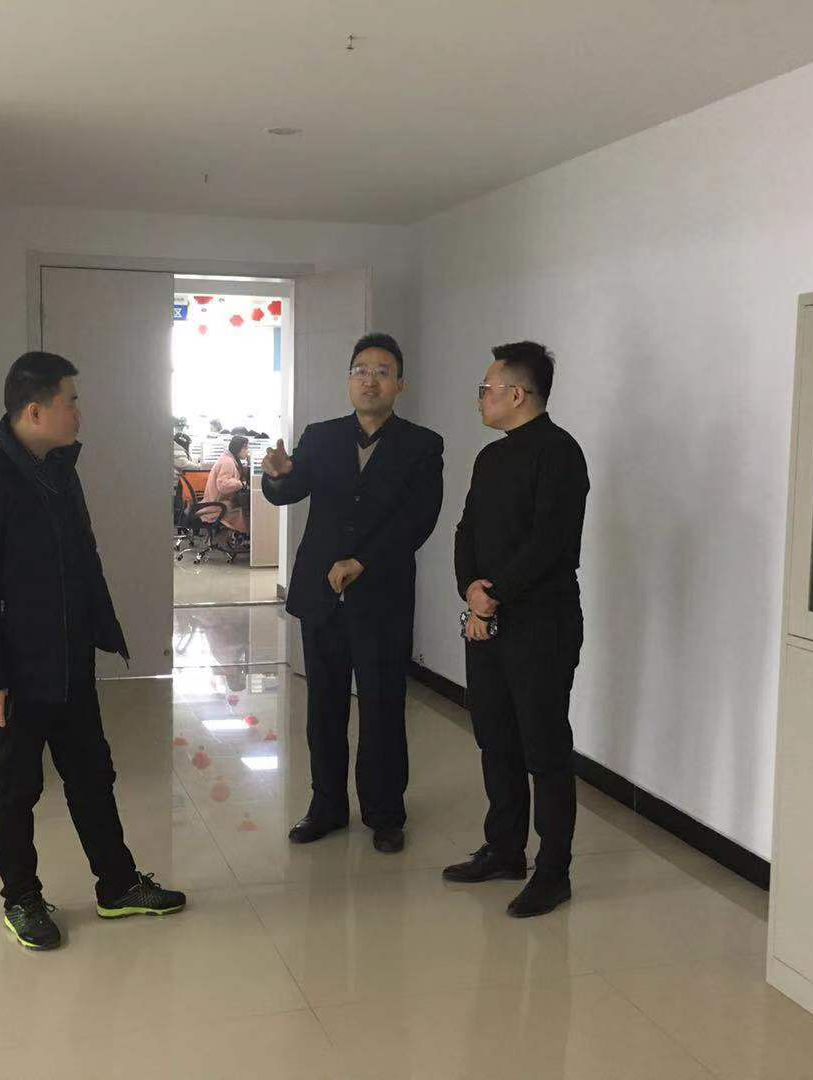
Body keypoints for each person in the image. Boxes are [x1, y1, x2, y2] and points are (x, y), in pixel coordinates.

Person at [0, 350, 186, 951]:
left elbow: (80, 561)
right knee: (15, 788)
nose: (79, 413)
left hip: (70, 659)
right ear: (34, 410)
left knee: (92, 775)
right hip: (15, 672)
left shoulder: (59, 471)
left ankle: (118, 885)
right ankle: (22, 899)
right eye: (70, 401)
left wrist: (99, 629)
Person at [261, 332, 443, 853]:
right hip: (322, 596)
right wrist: (276, 477)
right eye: (361, 370)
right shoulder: (320, 437)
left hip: (382, 596)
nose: (370, 380)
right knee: (324, 707)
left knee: (383, 706)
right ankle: (326, 806)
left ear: (400, 384)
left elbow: (418, 519)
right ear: (349, 380)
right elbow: (289, 490)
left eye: (383, 372)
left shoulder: (422, 445)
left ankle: (385, 812)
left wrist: (364, 560)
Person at [446, 340, 590, 917]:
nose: (480, 397)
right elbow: (467, 530)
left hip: (541, 624)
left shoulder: (560, 454)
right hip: (488, 619)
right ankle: (504, 850)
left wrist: (492, 598)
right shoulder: (490, 457)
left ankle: (554, 871)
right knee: (495, 738)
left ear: (518, 394)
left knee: (544, 747)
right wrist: (470, 590)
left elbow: (549, 545)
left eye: (486, 388)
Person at [201, 434, 250, 534]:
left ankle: (238, 536)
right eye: (245, 448)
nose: (247, 450)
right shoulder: (228, 462)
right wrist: (241, 484)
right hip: (217, 505)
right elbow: (223, 485)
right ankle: (243, 536)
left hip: (217, 501)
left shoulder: (229, 459)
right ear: (238, 448)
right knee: (246, 511)